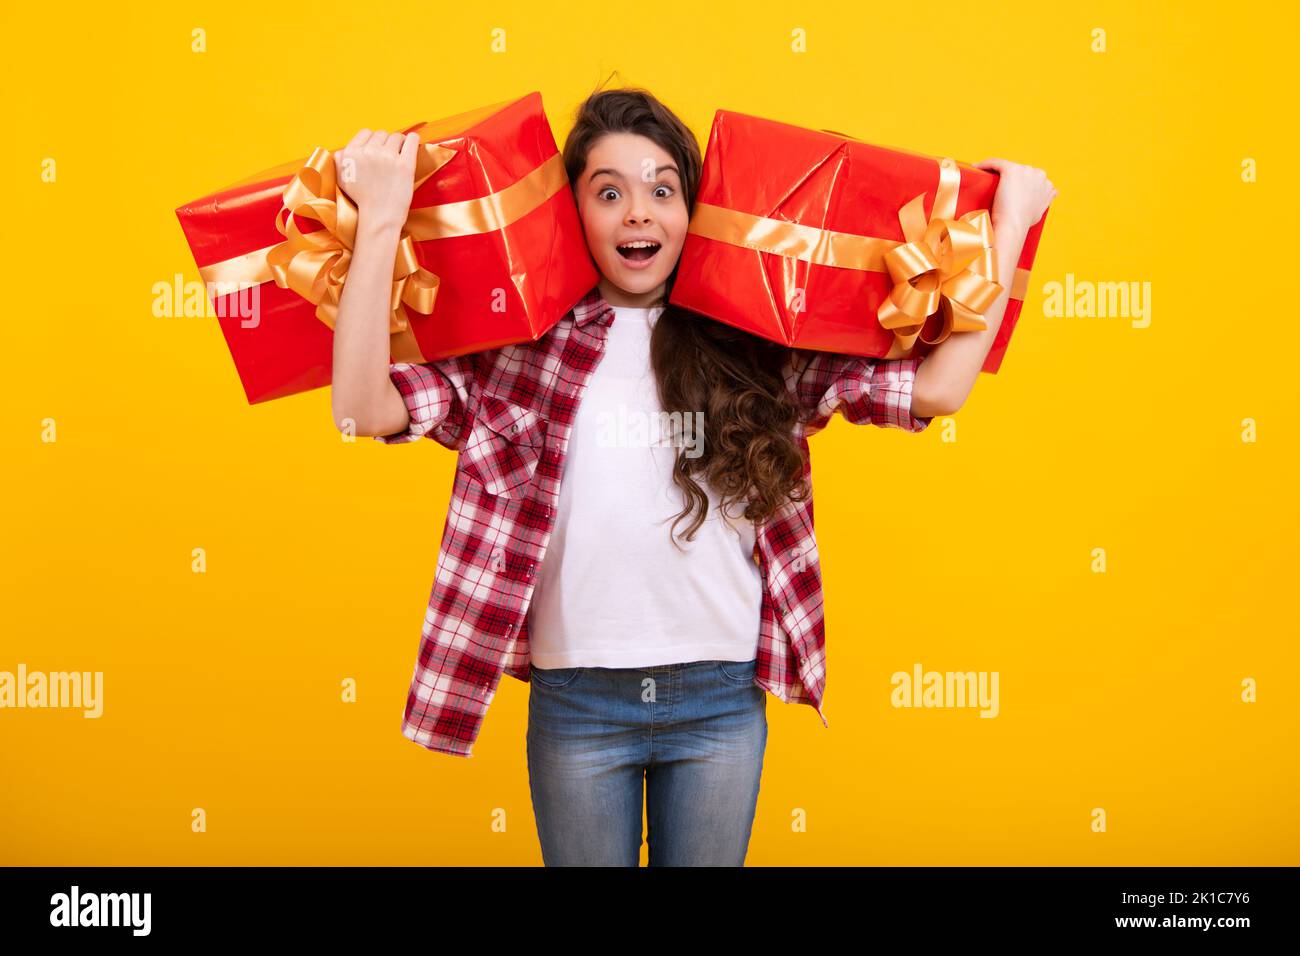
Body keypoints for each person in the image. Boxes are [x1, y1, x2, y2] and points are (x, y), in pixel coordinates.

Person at [330, 85, 1056, 866]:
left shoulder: (759, 339)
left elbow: (939, 389)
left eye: (661, 189)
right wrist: (380, 223)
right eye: (609, 193)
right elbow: (363, 408)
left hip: (718, 699)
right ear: (572, 217)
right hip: (578, 702)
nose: (637, 212)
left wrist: (1010, 221)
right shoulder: (518, 350)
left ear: (694, 211)